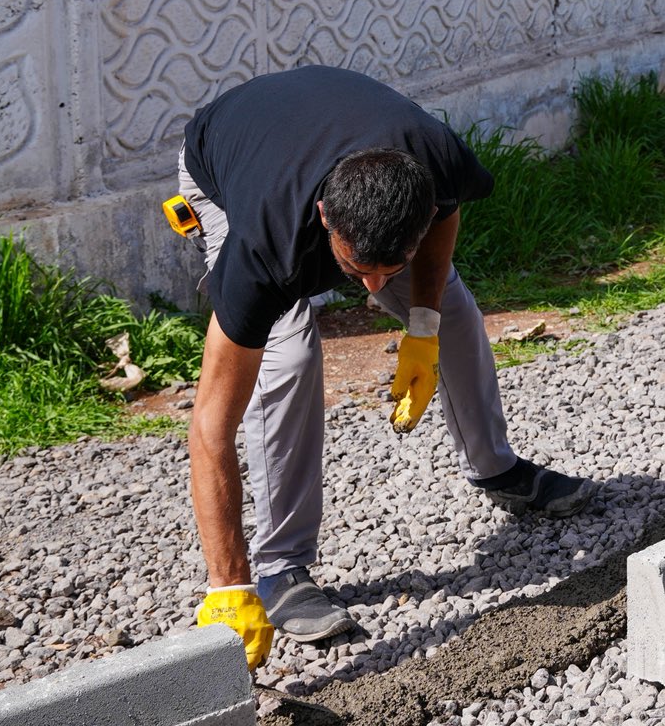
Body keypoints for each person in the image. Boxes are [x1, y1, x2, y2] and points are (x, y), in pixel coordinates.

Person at [177, 66, 597, 667]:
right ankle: (277, 571)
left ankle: (496, 468)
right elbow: (211, 423)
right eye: (357, 270)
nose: (373, 287)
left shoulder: (435, 159)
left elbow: (444, 216)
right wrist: (228, 584)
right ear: (325, 218)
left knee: (448, 306)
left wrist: (421, 328)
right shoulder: (264, 243)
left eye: (387, 268)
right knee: (290, 352)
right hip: (225, 162)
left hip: (331, 139)